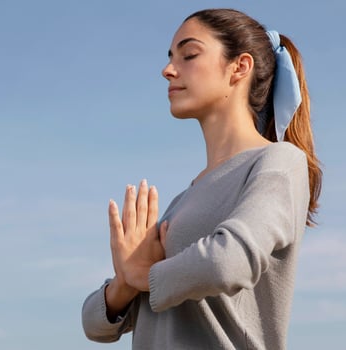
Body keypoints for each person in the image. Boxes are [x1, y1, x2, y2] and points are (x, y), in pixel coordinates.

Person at [82, 8, 322, 350]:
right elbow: (94, 324)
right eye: (170, 58)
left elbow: (228, 262)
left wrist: (145, 277)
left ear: (239, 67)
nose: (168, 70)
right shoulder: (183, 201)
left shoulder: (278, 162)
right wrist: (125, 283)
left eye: (189, 54)